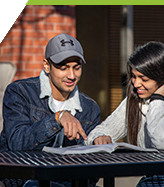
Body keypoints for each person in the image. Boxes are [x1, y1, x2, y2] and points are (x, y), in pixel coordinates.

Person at [0, 33, 100, 187]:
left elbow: (91, 173)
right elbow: (17, 145)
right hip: (23, 181)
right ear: (47, 65)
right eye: (63, 68)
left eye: (77, 68)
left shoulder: (90, 108)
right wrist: (57, 118)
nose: (72, 75)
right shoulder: (20, 92)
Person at [85, 41, 164, 186]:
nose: (136, 83)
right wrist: (98, 137)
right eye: (134, 76)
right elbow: (101, 130)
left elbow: (162, 142)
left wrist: (158, 99)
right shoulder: (134, 101)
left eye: (144, 79)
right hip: (153, 178)